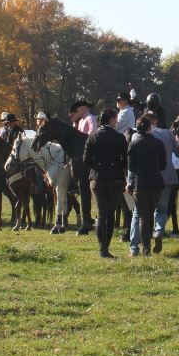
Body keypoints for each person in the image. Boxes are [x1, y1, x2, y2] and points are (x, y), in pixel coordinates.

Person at [128, 111, 179, 256]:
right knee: (161, 210)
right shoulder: (167, 134)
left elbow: (131, 166)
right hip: (164, 180)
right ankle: (158, 231)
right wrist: (178, 143)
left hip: (141, 181)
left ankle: (134, 247)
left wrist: (129, 182)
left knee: (138, 214)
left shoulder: (136, 136)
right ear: (155, 121)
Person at [84, 108, 128, 258]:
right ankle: (106, 247)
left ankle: (102, 248)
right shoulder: (120, 137)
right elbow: (125, 160)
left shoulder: (92, 137)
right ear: (111, 119)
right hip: (115, 179)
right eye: (116, 119)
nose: (116, 121)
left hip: (97, 179)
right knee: (109, 214)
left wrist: (97, 165)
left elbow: (85, 160)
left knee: (101, 215)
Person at [125, 115, 167, 256]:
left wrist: (130, 184)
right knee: (150, 214)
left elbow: (131, 168)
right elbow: (163, 165)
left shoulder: (133, 144)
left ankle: (145, 250)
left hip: (140, 185)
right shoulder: (159, 143)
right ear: (150, 128)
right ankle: (151, 240)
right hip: (156, 184)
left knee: (142, 217)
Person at [68, 100, 97, 234]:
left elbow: (92, 134)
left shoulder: (90, 118)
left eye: (79, 108)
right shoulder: (80, 121)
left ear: (84, 107)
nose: (77, 110)